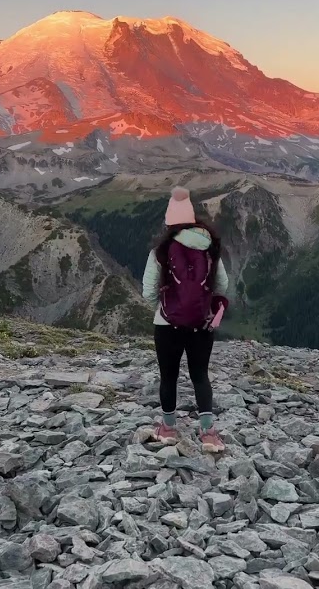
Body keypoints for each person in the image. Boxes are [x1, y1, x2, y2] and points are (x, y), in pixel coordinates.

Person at [142, 186, 231, 453]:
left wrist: (167, 308)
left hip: (167, 324)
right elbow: (222, 286)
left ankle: (168, 429)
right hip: (201, 324)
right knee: (200, 376)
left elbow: (148, 291)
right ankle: (208, 433)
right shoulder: (210, 249)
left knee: (168, 376)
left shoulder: (161, 251)